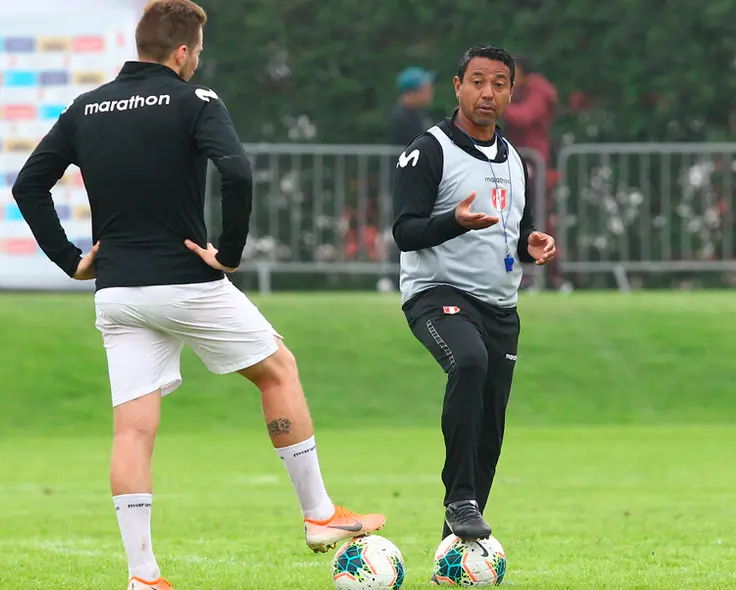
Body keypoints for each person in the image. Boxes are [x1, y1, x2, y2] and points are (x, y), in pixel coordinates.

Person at [11, 2, 385, 589]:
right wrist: (229, 254)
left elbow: (29, 184)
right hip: (186, 282)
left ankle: (144, 578)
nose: (199, 60)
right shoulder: (196, 101)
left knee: (133, 430)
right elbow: (236, 173)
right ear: (183, 51)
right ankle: (319, 516)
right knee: (278, 370)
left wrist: (70, 260)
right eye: (199, 50)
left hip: (117, 294)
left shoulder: (86, 108)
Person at [390, 44, 556, 559]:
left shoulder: (514, 161)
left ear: (510, 91)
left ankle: (454, 550)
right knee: (468, 360)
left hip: (500, 307)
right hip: (437, 294)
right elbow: (406, 231)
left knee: (492, 421)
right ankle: (460, 498)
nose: (488, 93)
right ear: (458, 87)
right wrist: (452, 222)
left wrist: (531, 242)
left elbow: (513, 230)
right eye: (478, 81)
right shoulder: (430, 149)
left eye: (499, 84)